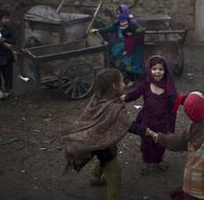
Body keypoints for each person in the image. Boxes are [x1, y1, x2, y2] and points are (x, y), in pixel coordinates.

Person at [61, 68, 153, 200]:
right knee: (115, 173)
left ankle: (95, 177)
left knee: (106, 156)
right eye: (122, 82)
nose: (124, 84)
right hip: (102, 145)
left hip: (95, 141)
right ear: (114, 86)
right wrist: (146, 131)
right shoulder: (113, 107)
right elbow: (128, 125)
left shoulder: (98, 97)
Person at [122, 55, 183, 174]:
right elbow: (133, 95)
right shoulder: (145, 85)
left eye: (161, 69)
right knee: (147, 143)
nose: (157, 72)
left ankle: (159, 160)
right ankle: (147, 162)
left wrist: (193, 100)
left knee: (160, 143)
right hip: (147, 121)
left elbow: (175, 102)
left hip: (162, 122)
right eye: (154, 69)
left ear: (165, 71)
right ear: (149, 70)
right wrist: (123, 98)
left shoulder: (168, 87)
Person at [90, 13, 144, 86]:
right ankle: (126, 80)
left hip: (130, 48)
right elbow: (108, 29)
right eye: (122, 22)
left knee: (130, 65)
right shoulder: (117, 27)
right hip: (120, 49)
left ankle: (131, 80)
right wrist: (97, 30)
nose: (124, 23)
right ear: (119, 22)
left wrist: (135, 33)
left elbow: (141, 31)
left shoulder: (132, 27)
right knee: (120, 64)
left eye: (125, 21)